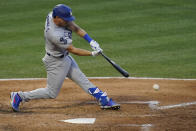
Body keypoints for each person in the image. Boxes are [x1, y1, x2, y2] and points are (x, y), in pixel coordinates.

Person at [10, 4, 120, 112]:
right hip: (56, 62)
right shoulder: (54, 34)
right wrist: (92, 53)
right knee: (51, 93)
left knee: (82, 80)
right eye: (65, 19)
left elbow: (75, 27)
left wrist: (90, 40)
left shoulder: (53, 15)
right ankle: (19, 96)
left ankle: (102, 99)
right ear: (57, 18)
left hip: (65, 58)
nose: (67, 21)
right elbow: (73, 49)